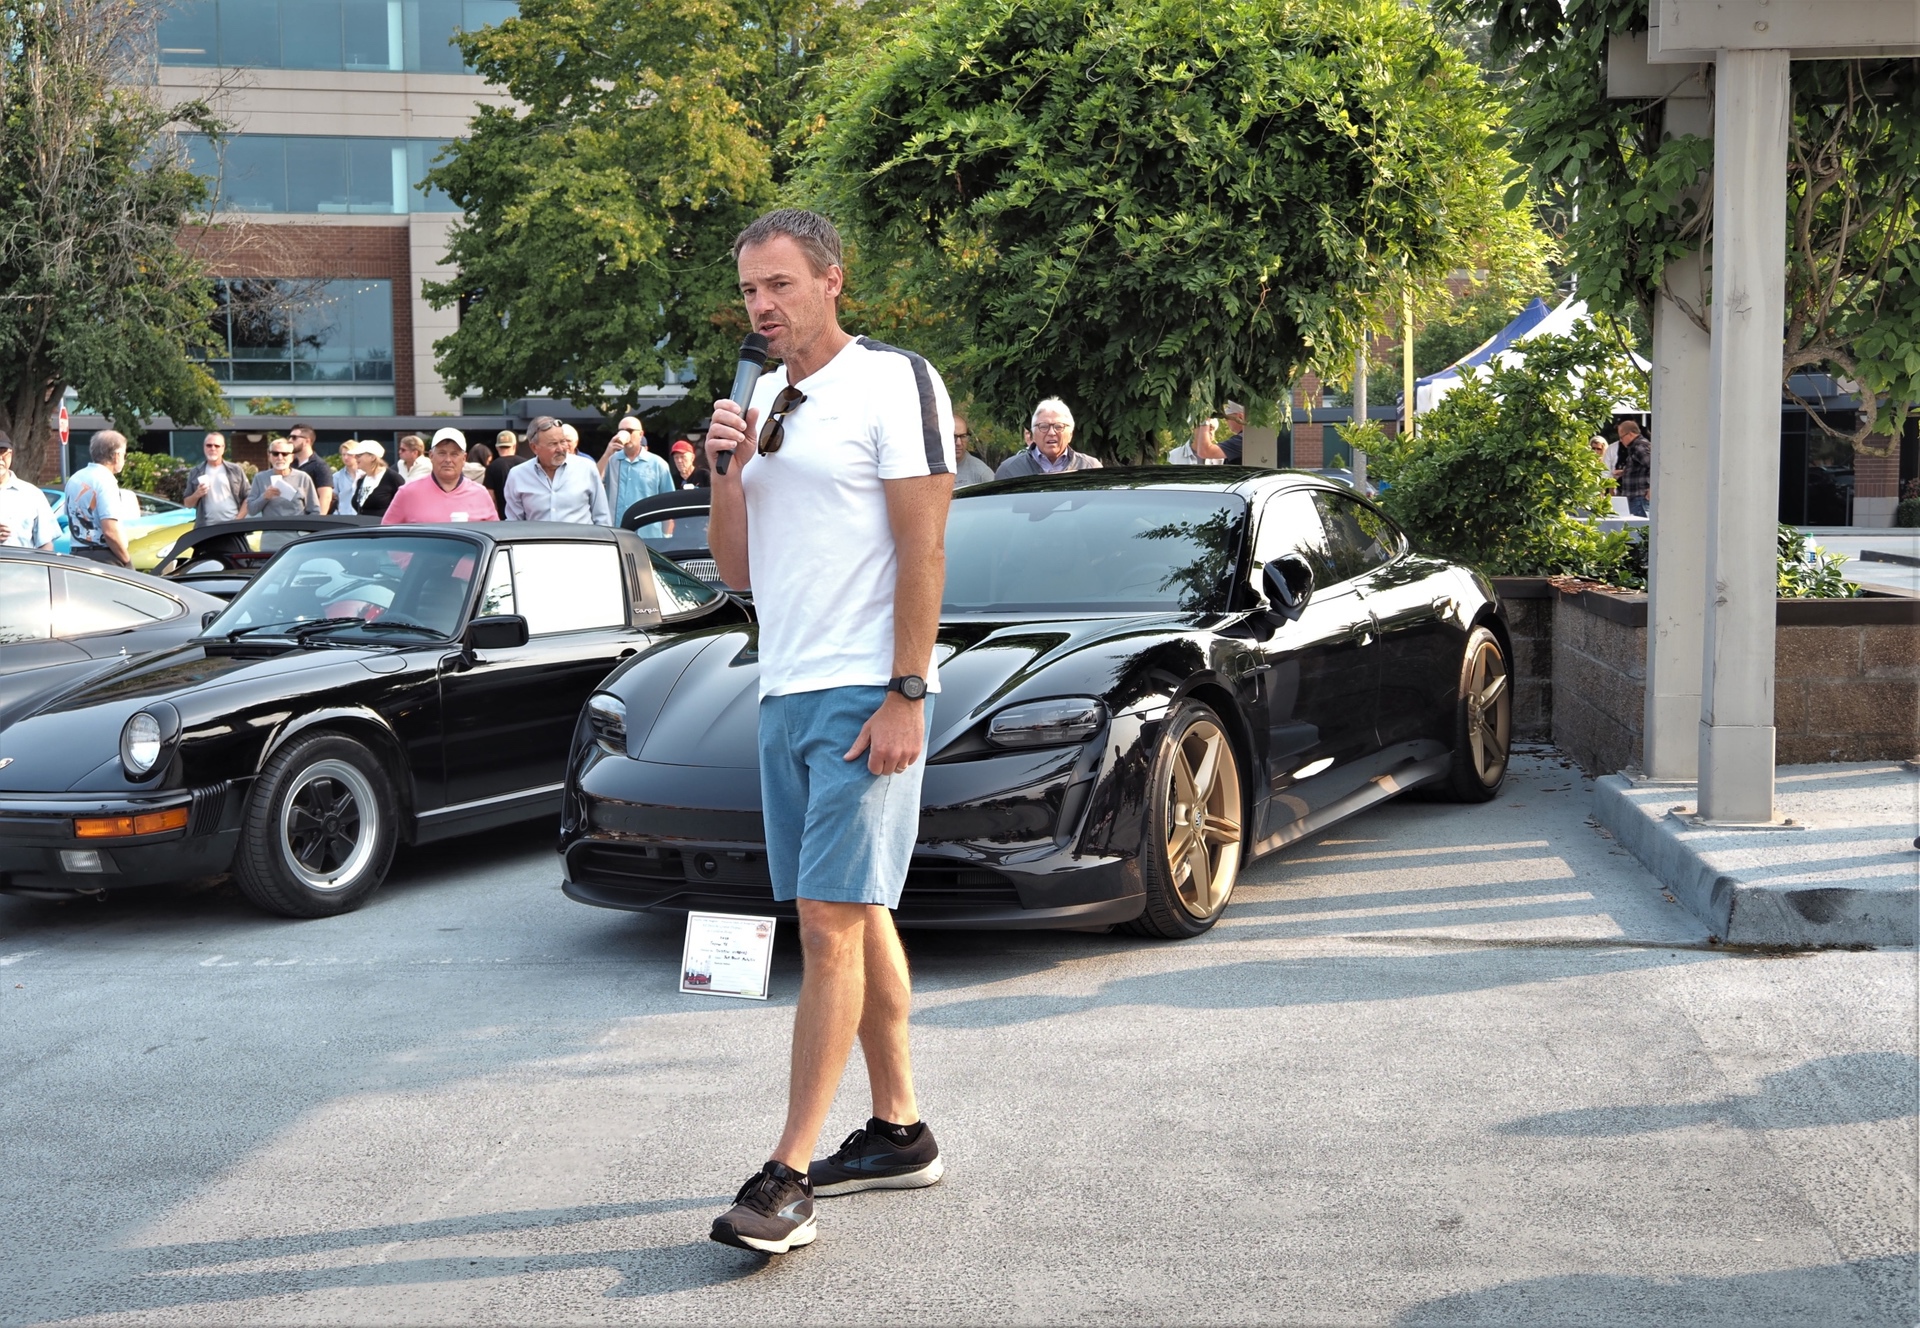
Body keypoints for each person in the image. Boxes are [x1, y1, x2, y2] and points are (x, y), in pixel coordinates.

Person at [703, 208, 954, 1257]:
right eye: (751, 290)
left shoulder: (896, 381)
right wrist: (725, 465)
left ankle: (788, 1170)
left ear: (832, 281)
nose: (762, 306)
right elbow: (738, 571)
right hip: (786, 686)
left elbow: (923, 544)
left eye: (780, 285)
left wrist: (907, 688)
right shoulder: (759, 395)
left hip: (864, 687)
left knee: (829, 918)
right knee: (860, 910)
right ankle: (899, 1129)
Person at [503, 415, 611, 524]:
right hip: (538, 541)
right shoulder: (518, 475)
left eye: (563, 441)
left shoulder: (586, 468)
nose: (561, 449)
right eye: (553, 444)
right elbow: (514, 523)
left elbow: (602, 518)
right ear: (534, 447)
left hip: (581, 541)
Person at [383, 428, 499, 525]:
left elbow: (494, 536)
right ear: (431, 456)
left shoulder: (480, 494)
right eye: (442, 453)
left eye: (454, 454)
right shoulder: (408, 492)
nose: (448, 460)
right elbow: (386, 536)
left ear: (464, 459)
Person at [64, 431, 131, 565]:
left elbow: (70, 516)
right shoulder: (106, 481)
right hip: (104, 556)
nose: (124, 459)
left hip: (77, 554)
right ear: (116, 456)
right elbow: (110, 531)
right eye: (124, 455)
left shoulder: (75, 478)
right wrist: (126, 561)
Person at [993, 398, 1102, 477]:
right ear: (1033, 435)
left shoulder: (1089, 467)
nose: (1051, 433)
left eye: (1059, 426)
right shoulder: (1010, 470)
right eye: (1043, 426)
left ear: (1070, 434)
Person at [600, 414, 674, 529]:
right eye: (621, 430)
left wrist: (666, 535)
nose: (625, 434)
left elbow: (668, 503)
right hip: (618, 531)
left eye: (629, 430)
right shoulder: (611, 460)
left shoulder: (658, 464)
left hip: (648, 533)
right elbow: (593, 481)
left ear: (640, 434)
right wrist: (607, 453)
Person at [0, 432, 58, 550]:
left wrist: (38, 568)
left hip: (22, 568)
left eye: (2, 452)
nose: (0, 459)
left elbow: (45, 544)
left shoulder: (32, 494)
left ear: (10, 454)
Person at [182, 433, 249, 527]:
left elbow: (248, 497)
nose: (212, 448)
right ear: (204, 448)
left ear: (223, 448)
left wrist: (238, 520)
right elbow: (187, 504)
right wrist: (197, 494)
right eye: (209, 445)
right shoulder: (196, 472)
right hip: (206, 528)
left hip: (232, 527)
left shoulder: (235, 470)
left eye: (217, 446)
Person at [248, 437, 323, 517]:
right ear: (269, 456)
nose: (280, 458)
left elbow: (315, 511)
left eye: (285, 454)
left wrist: (304, 528)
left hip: (297, 527)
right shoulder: (260, 478)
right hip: (271, 528)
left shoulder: (303, 478)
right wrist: (265, 496)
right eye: (275, 454)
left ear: (292, 457)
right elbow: (251, 510)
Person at [286, 423, 337, 515]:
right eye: (289, 437)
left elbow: (325, 496)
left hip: (310, 519)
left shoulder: (320, 466)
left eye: (294, 437)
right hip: (291, 516)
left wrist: (317, 522)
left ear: (307, 441)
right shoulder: (290, 464)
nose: (290, 440)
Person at [484, 429, 530, 518]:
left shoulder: (492, 467)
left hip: (502, 518)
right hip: (527, 518)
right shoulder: (527, 464)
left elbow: (490, 497)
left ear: (497, 447)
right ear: (514, 446)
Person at [350, 441, 402, 518]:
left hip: (384, 528)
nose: (355, 458)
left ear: (372, 457)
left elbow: (404, 504)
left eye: (359, 455)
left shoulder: (392, 477)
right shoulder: (361, 480)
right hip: (363, 527)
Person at [1614, 420, 1651, 518]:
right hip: (1637, 497)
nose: (1621, 440)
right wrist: (1624, 472)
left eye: (1621, 437)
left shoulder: (1639, 447)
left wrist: (1652, 488)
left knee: (1638, 529)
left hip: (1640, 497)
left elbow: (1654, 467)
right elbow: (1642, 468)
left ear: (1630, 434)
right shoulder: (1637, 446)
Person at [952, 415, 994, 486]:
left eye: (963, 436)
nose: (958, 443)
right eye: (953, 437)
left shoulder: (982, 473)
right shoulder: (929, 469)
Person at [332, 441, 361, 514]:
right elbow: (333, 500)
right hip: (344, 517)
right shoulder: (336, 477)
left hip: (362, 517)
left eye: (349, 454)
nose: (345, 457)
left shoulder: (365, 475)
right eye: (343, 454)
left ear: (357, 455)